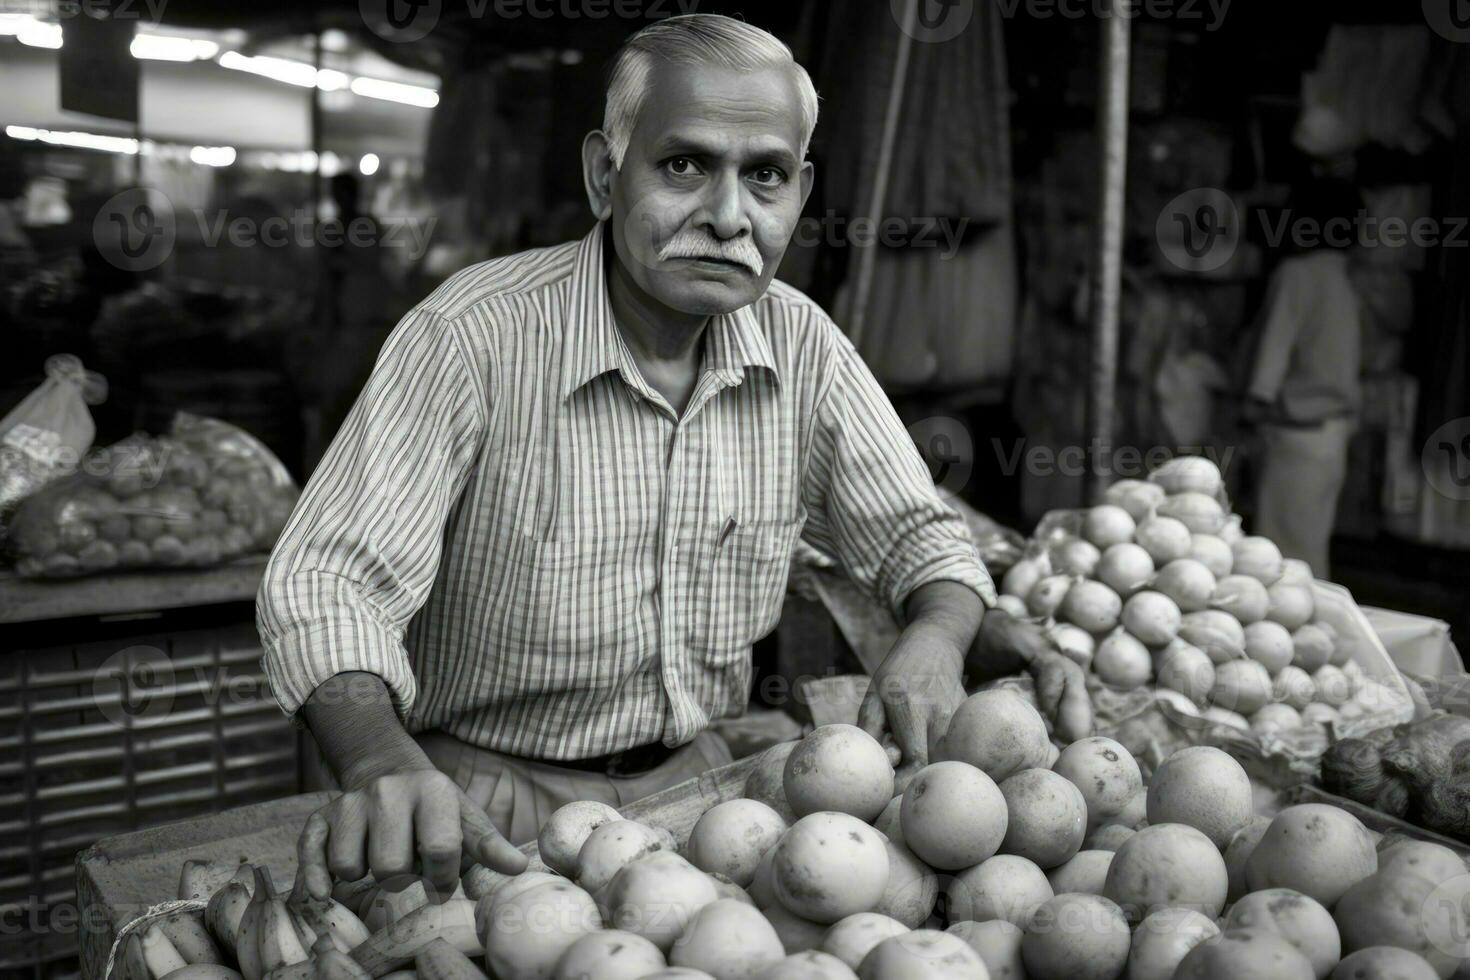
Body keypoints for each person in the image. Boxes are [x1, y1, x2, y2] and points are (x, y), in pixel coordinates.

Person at [259, 14, 1090, 901]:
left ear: (799, 195)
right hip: (477, 810)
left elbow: (926, 542)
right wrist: (380, 757)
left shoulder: (801, 344)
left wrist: (936, 636)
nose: (728, 216)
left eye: (764, 176)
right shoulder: (472, 339)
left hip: (705, 807)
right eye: (685, 165)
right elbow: (325, 584)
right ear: (604, 175)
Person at [1244, 177, 1364, 577]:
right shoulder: (1343, 275)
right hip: (1332, 435)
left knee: (1283, 560)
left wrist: (1252, 405)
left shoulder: (1298, 274)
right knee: (1308, 553)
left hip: (1297, 433)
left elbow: (1273, 351)